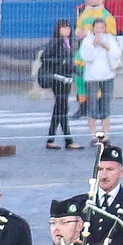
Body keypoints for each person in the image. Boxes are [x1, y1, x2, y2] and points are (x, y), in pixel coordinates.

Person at [76, 16, 120, 148]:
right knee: (92, 106)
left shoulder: (110, 39)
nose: (100, 30)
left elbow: (116, 53)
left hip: (107, 75)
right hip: (92, 77)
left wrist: (106, 46)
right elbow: (86, 57)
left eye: (102, 27)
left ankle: (106, 134)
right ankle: (93, 134)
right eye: (97, 28)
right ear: (93, 29)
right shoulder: (87, 40)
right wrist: (94, 45)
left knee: (106, 104)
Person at [36, 19, 79, 149]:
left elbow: (69, 61)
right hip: (58, 79)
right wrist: (60, 62)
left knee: (60, 109)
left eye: (69, 27)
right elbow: (44, 58)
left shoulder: (68, 43)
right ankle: (67, 140)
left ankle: (54, 139)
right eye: (64, 27)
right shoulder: (55, 42)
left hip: (66, 78)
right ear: (58, 29)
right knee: (62, 109)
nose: (67, 30)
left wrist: (75, 69)